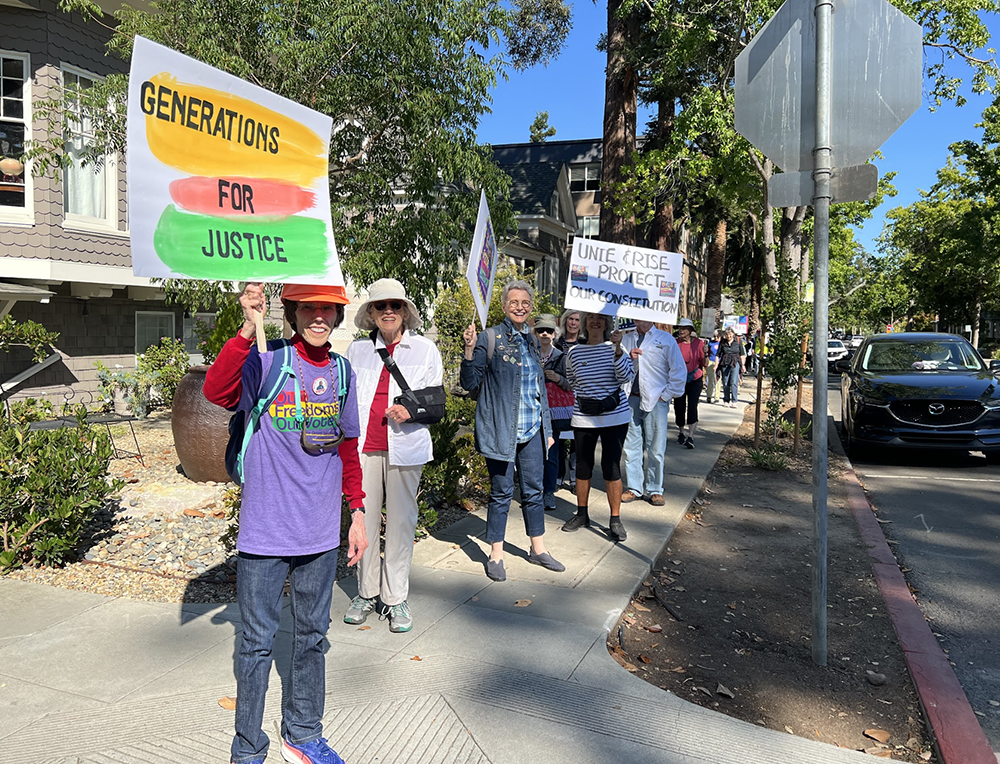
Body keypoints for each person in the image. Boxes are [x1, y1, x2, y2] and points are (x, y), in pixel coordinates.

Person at [204, 282, 367, 764]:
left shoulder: (341, 372)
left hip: (319, 534)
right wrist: (246, 327)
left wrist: (357, 512)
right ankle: (249, 747)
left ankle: (303, 731)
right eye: (309, 309)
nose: (319, 317)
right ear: (293, 313)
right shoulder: (268, 361)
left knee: (313, 637)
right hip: (265, 531)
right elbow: (217, 391)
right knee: (255, 644)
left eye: (328, 310)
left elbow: (347, 448)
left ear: (338, 317)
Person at [343, 278, 443, 633]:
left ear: (405, 311)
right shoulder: (356, 352)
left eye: (395, 305)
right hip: (364, 448)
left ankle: (395, 596)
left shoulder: (425, 350)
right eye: (381, 305)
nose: (388, 311)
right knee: (364, 523)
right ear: (371, 312)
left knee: (401, 524)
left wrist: (410, 412)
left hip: (405, 449)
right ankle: (367, 592)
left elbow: (437, 403)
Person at [460, 280, 565, 581]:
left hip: (532, 430)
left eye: (525, 302)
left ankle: (538, 549)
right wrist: (469, 350)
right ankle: (496, 554)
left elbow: (538, 389)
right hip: (501, 431)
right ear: (505, 306)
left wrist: (547, 428)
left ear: (530, 308)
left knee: (534, 491)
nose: (520, 307)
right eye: (514, 302)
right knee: (502, 492)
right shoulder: (489, 337)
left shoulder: (532, 340)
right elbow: (470, 383)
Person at [562, 313, 634, 541]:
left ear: (606, 323)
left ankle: (615, 519)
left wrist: (618, 350)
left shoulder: (613, 347)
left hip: (614, 416)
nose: (595, 321)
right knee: (583, 465)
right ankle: (582, 514)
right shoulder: (574, 352)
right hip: (584, 415)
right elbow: (572, 380)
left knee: (611, 466)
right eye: (590, 317)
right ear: (584, 323)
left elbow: (625, 376)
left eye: (600, 318)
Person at [620, 319, 686, 506]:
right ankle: (634, 487)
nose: (640, 318)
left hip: (656, 400)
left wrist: (665, 396)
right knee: (631, 446)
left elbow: (678, 371)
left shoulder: (665, 339)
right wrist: (628, 359)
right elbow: (617, 368)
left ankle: (655, 489)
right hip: (631, 397)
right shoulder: (626, 339)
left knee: (656, 447)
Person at [535, 313, 573, 510]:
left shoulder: (562, 358)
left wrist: (558, 379)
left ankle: (548, 492)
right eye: (540, 330)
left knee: (551, 453)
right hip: (530, 411)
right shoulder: (528, 354)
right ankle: (533, 491)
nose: (544, 334)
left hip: (553, 414)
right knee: (532, 455)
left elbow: (571, 385)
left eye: (549, 330)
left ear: (554, 334)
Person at [554, 309, 582, 490]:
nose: (573, 323)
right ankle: (558, 476)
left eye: (577, 320)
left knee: (578, 441)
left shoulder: (586, 344)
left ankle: (574, 478)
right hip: (560, 398)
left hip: (580, 398)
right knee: (558, 439)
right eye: (570, 319)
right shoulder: (557, 344)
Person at [673, 318, 708, 449]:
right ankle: (681, 432)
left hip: (695, 379)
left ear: (690, 330)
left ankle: (691, 436)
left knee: (692, 406)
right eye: (680, 328)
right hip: (679, 379)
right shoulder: (675, 343)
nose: (681, 331)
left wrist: (705, 354)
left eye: (684, 328)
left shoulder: (699, 344)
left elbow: (704, 363)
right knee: (679, 406)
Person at [718, 327, 746, 407]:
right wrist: (716, 365)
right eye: (727, 335)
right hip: (725, 362)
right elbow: (718, 354)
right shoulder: (723, 342)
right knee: (725, 382)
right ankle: (726, 400)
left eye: (730, 334)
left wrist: (743, 365)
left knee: (734, 381)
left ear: (733, 334)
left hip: (735, 362)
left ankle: (734, 400)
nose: (728, 336)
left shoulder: (738, 340)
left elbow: (742, 354)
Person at [705, 329, 721, 404]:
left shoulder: (722, 344)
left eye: (717, 336)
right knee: (711, 379)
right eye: (714, 336)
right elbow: (706, 352)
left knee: (718, 379)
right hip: (710, 361)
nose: (716, 338)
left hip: (719, 362)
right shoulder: (710, 343)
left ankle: (717, 397)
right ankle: (709, 396)